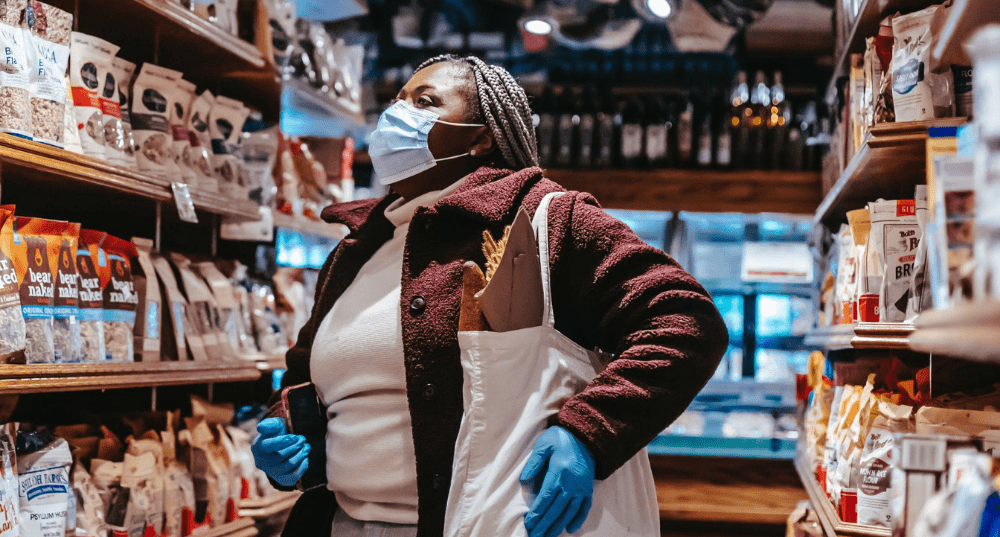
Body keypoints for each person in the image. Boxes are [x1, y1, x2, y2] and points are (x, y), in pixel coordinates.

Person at [251, 54, 728, 537]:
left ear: (481, 136)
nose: (398, 115)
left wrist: (589, 431)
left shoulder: (546, 220)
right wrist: (286, 429)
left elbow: (685, 323)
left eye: (425, 102)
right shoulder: (356, 248)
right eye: (397, 102)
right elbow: (303, 371)